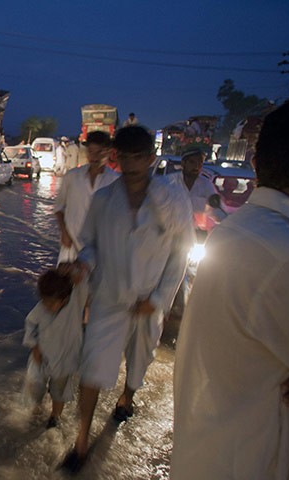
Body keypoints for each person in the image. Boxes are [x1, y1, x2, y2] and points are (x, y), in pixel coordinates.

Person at [62, 126, 194, 472]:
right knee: (92, 366)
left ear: (151, 158)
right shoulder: (104, 201)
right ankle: (82, 439)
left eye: (140, 157)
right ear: (117, 159)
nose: (133, 165)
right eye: (126, 157)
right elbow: (91, 244)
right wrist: (81, 267)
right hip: (110, 298)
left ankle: (128, 396)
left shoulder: (173, 200)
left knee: (140, 359)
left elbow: (181, 254)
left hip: (150, 300)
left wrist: (162, 297)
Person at [172, 102, 289, 480]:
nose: (194, 165)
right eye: (191, 160)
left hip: (208, 454)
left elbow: (211, 215)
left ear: (256, 164)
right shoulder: (283, 255)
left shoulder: (236, 227)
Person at [22, 268, 87, 428]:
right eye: (44, 301)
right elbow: (30, 324)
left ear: (65, 299)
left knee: (60, 391)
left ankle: (55, 416)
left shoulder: (74, 306)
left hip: (65, 359)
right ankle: (36, 410)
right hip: (42, 356)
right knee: (36, 386)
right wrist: (34, 346)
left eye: (51, 303)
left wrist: (77, 277)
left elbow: (84, 288)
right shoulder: (41, 309)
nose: (47, 305)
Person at [55, 131, 120, 265]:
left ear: (108, 152)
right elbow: (59, 208)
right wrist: (64, 233)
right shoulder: (72, 176)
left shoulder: (116, 181)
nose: (95, 157)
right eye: (91, 152)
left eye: (100, 152)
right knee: (66, 284)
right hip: (71, 246)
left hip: (101, 250)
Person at [170, 148, 223, 230]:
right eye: (192, 162)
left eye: (200, 163)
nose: (196, 167)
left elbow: (216, 211)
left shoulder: (206, 185)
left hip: (195, 234)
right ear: (183, 163)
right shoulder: (169, 182)